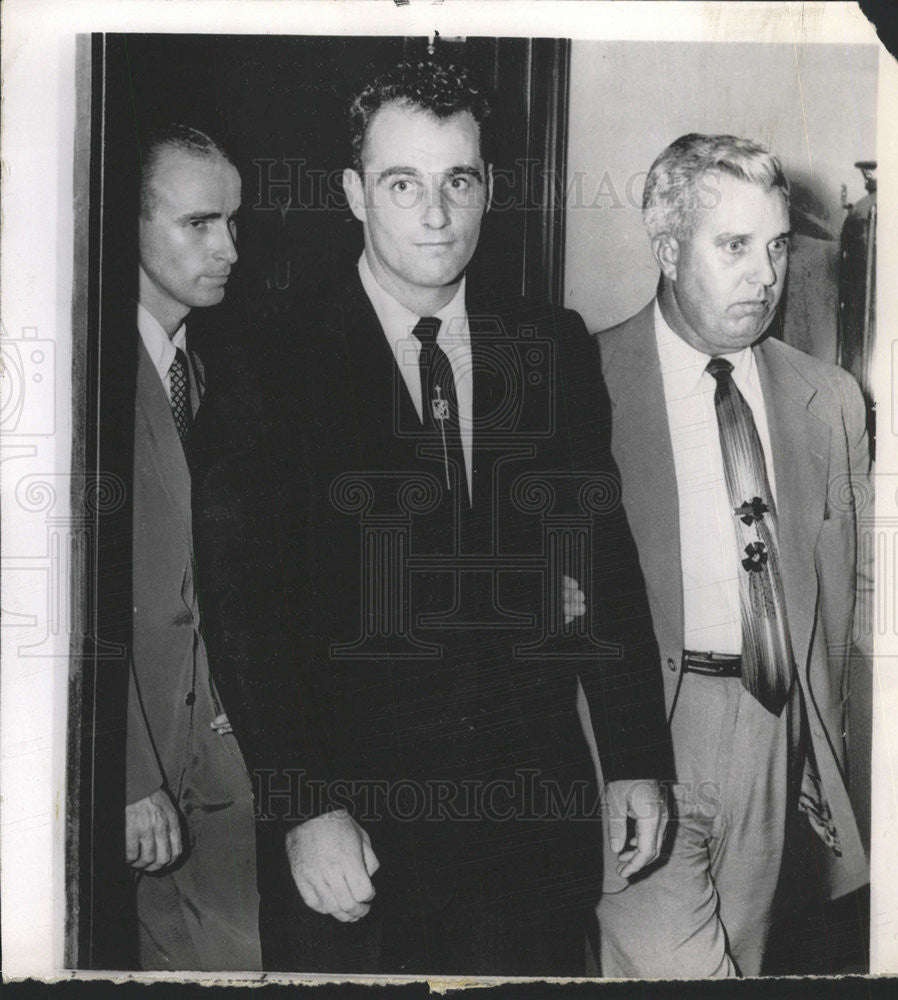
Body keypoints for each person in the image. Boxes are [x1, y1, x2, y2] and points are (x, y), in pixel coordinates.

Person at [191, 60, 673, 976]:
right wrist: (305, 806)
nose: (436, 213)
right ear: (352, 194)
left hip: (526, 833)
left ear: (487, 188)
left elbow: (600, 565)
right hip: (358, 840)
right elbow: (246, 610)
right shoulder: (268, 361)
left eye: (459, 180)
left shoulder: (551, 346)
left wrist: (636, 757)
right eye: (401, 183)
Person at [595, 133, 870, 977]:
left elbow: (857, 597)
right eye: (734, 246)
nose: (765, 275)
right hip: (642, 735)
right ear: (668, 246)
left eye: (777, 245)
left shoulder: (827, 398)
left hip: (776, 730)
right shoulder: (587, 382)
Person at [124, 124, 260, 970]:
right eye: (200, 225)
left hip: (217, 767)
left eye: (234, 223)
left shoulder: (203, 377)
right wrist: (129, 775)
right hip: (135, 769)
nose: (230, 249)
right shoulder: (88, 378)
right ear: (129, 226)